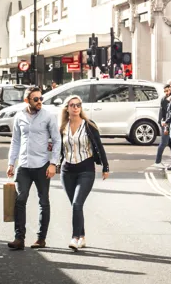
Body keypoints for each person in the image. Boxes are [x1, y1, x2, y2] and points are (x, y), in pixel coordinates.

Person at [6, 86, 61, 250]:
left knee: (44, 202)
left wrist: (53, 163)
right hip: (23, 165)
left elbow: (57, 140)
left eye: (41, 98)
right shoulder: (19, 116)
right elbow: (15, 141)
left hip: (42, 165)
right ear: (26, 100)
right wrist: (11, 163)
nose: (39, 102)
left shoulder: (48, 116)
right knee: (19, 200)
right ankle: (19, 238)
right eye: (35, 99)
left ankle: (41, 238)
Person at [60, 95, 109, 250]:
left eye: (78, 105)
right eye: (72, 105)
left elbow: (99, 147)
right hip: (67, 170)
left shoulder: (88, 125)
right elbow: (57, 148)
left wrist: (105, 166)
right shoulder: (62, 127)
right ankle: (82, 236)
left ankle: (74, 238)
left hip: (86, 169)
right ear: (67, 108)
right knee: (76, 206)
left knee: (77, 204)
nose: (75, 107)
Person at [154, 84, 171, 168]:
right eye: (165, 91)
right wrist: (164, 122)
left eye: (167, 90)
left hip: (168, 122)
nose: (166, 92)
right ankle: (157, 161)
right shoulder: (165, 99)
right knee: (164, 142)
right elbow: (165, 113)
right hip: (165, 122)